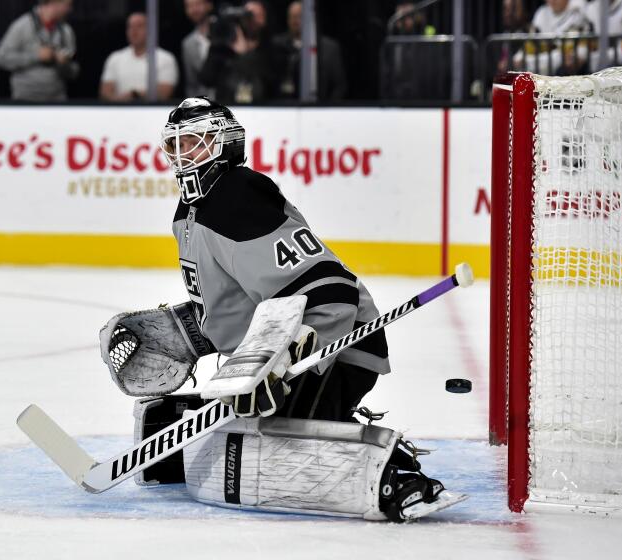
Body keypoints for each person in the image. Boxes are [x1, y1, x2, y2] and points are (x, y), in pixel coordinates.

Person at [97, 97, 461, 522]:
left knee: (263, 451)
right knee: (239, 440)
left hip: (339, 342)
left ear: (225, 144)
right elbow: (234, 304)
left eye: (195, 142)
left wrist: (285, 359)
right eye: (175, 146)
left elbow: (327, 290)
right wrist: (191, 332)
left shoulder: (237, 198)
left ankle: (395, 471)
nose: (183, 155)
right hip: (279, 351)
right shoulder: (189, 212)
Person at [199, 1, 280, 103]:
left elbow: (273, 83)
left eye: (257, 15)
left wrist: (243, 55)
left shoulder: (271, 47)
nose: (251, 20)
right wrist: (219, 46)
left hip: (262, 110)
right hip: (227, 108)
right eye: (247, 15)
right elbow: (207, 79)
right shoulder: (225, 46)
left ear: (264, 18)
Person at [0, 0, 79, 101]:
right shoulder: (23, 25)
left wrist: (63, 63)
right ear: (54, 3)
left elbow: (74, 71)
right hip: (25, 98)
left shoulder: (66, 31)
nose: (69, 10)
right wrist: (36, 56)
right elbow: (1, 58)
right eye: (67, 5)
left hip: (56, 99)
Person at [273, 0, 347, 100]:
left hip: (321, 107)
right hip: (283, 107)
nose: (295, 21)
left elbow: (340, 86)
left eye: (299, 16)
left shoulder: (329, 48)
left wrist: (328, 109)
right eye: (292, 17)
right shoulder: (277, 45)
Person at [99, 12, 179, 102]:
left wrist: (135, 95)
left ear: (150, 30)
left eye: (139, 26)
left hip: (153, 112)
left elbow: (164, 93)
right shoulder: (115, 58)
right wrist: (122, 101)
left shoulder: (165, 58)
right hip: (119, 112)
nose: (134, 30)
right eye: (130, 26)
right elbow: (105, 93)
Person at [181, 0, 215, 98]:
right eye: (189, 6)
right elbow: (191, 84)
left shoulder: (226, 32)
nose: (194, 9)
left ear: (209, 5)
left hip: (233, 104)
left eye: (198, 4)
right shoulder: (187, 44)